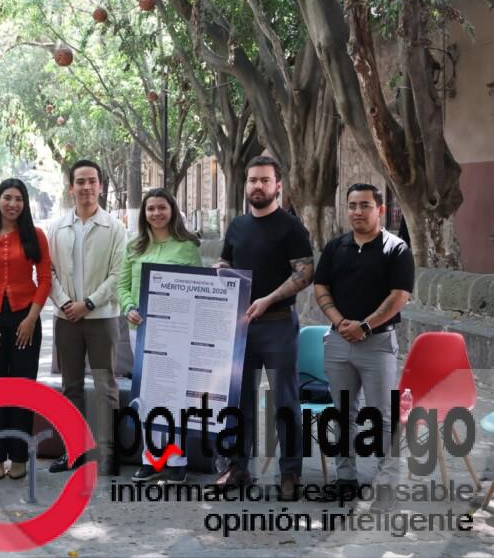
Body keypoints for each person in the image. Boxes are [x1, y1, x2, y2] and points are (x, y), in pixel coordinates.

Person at [215, 155, 314, 500]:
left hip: (278, 326)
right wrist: (220, 270)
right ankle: (239, 467)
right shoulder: (237, 225)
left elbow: (305, 272)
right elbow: (227, 260)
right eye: (253, 180)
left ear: (278, 185)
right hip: (241, 328)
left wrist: (269, 299)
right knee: (239, 401)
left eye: (264, 180)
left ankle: (290, 473)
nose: (258, 185)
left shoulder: (291, 227)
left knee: (285, 401)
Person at [313, 183, 414, 512]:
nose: (358, 211)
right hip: (338, 342)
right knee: (343, 412)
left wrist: (365, 326)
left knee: (382, 416)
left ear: (379, 209)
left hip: (378, 344)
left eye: (365, 205)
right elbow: (321, 286)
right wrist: (340, 322)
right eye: (352, 205)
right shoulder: (335, 247)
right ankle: (345, 480)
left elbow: (399, 296)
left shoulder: (396, 249)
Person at [0, 179, 52, 481]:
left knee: (23, 389)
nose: (13, 204)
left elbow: (45, 279)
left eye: (18, 199)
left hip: (26, 318)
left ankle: (19, 456)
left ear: (25, 203)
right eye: (7, 197)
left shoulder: (35, 235)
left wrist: (31, 319)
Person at [48, 159, 127, 476]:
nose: (86, 187)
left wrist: (89, 303)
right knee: (71, 387)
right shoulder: (57, 227)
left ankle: (109, 454)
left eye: (92, 181)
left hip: (102, 318)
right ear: (71, 187)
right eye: (80, 181)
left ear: (101, 186)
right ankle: (75, 452)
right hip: (66, 318)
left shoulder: (115, 228)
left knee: (106, 385)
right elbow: (48, 272)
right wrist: (67, 303)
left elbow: (119, 274)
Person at [117, 188, 202, 484]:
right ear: (144, 213)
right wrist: (128, 307)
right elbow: (122, 286)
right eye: (151, 208)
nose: (156, 213)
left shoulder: (188, 247)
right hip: (141, 331)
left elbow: (200, 288)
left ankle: (177, 460)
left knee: (176, 394)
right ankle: (151, 459)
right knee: (148, 395)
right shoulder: (134, 246)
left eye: (161, 207)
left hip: (177, 332)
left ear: (172, 210)